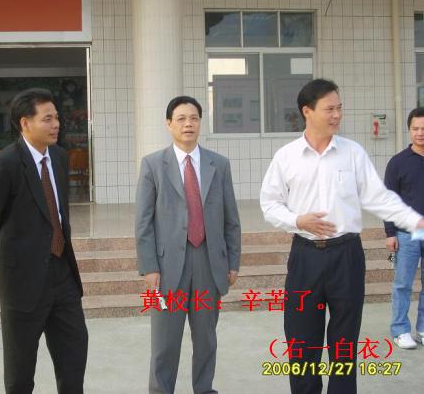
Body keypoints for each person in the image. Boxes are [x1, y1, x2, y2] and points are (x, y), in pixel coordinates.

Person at [260, 78, 424, 394]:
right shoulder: (287, 156)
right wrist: (297, 220)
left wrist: (416, 222)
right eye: (329, 109)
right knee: (301, 340)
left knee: (345, 341)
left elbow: (380, 198)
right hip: (305, 256)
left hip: (347, 256)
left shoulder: (353, 153)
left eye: (339, 108)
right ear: (307, 111)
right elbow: (269, 204)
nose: (336, 115)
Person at [0, 88, 88, 393]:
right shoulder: (4, 165)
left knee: (74, 358)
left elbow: (57, 214)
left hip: (62, 277)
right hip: (21, 286)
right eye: (48, 119)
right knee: (20, 374)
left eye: (57, 118)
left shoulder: (59, 157)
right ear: (25, 123)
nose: (56, 124)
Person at [136, 95, 241, 394]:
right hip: (167, 267)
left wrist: (233, 261)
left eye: (193, 118)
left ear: (200, 123)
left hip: (209, 262)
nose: (188, 124)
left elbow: (231, 218)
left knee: (206, 339)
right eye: (181, 119)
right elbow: (143, 222)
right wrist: (149, 267)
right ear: (168, 124)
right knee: (164, 342)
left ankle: (204, 389)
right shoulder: (153, 165)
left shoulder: (219, 165)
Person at [384, 107, 424, 349]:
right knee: (403, 284)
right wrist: (390, 233)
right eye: (415, 128)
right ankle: (400, 329)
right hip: (406, 234)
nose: (420, 133)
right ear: (409, 130)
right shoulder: (398, 163)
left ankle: (423, 328)